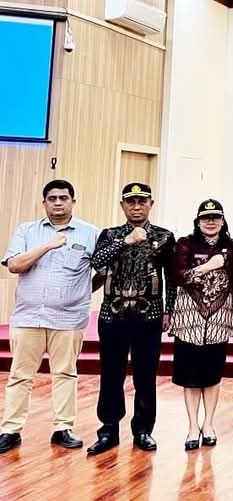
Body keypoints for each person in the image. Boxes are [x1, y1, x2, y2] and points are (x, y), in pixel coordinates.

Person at [0, 180, 100, 454]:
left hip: (68, 319)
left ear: (73, 202)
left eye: (63, 198)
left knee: (66, 373)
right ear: (44, 203)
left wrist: (80, 293)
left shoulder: (91, 233)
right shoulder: (26, 231)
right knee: (20, 375)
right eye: (52, 198)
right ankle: (10, 430)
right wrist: (48, 245)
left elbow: (103, 272)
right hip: (28, 317)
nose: (58, 203)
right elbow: (15, 265)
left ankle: (63, 428)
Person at [86, 183, 176, 456]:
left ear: (150, 204)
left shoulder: (164, 236)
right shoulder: (110, 234)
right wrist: (125, 241)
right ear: (123, 205)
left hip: (149, 315)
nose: (136, 207)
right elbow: (96, 261)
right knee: (111, 373)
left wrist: (169, 310)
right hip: (113, 315)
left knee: (146, 375)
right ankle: (108, 429)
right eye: (131, 202)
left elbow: (171, 277)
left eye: (142, 202)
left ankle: (143, 429)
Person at [170, 199, 233, 451]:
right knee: (190, 375)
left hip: (219, 318)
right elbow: (178, 276)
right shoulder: (185, 244)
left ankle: (209, 423)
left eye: (215, 217)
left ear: (223, 221)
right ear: (198, 221)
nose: (211, 222)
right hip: (189, 319)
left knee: (212, 375)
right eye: (206, 218)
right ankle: (193, 426)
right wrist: (206, 267)